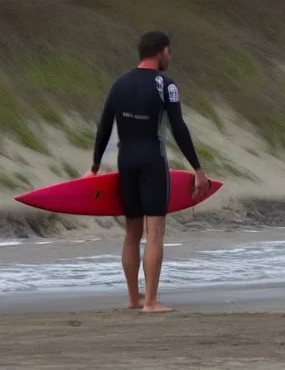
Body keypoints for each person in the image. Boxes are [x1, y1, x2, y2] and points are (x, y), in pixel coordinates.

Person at [86, 30, 209, 313]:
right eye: (169, 52)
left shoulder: (119, 84)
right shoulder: (167, 85)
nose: (170, 57)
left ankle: (133, 298)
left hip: (126, 161)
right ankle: (151, 302)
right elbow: (178, 128)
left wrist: (94, 167)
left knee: (132, 231)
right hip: (153, 161)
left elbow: (104, 126)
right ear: (161, 51)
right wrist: (198, 169)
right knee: (155, 232)